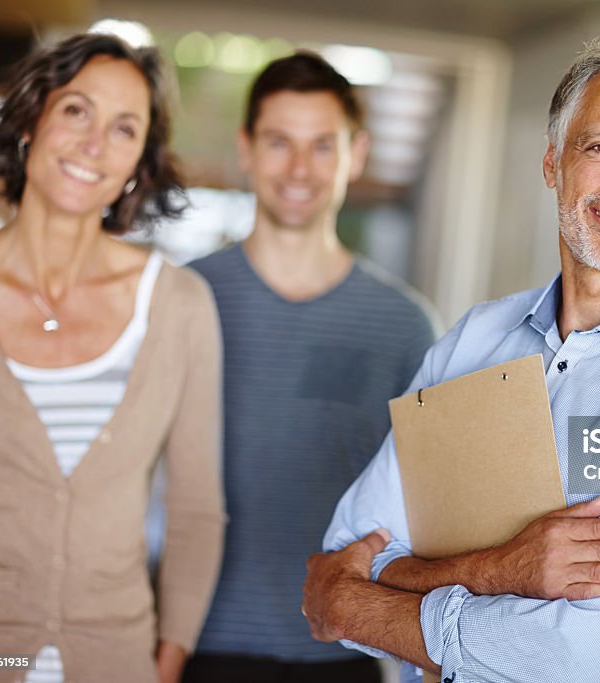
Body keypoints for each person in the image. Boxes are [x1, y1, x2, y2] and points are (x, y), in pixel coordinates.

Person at [304, 30, 600, 682]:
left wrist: (370, 600)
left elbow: (568, 656)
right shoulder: (474, 341)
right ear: (553, 162)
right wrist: (497, 569)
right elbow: (335, 566)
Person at [0, 34, 225, 683]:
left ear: (138, 162)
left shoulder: (180, 305)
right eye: (77, 110)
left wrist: (165, 661)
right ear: (31, 121)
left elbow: (195, 510)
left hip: (118, 661)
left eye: (124, 127)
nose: (94, 142)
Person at [183, 52, 437, 683]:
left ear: (357, 153)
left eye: (322, 145)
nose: (299, 169)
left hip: (343, 653)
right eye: (279, 142)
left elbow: (430, 510)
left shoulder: (404, 325)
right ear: (246, 149)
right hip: (193, 645)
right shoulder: (183, 300)